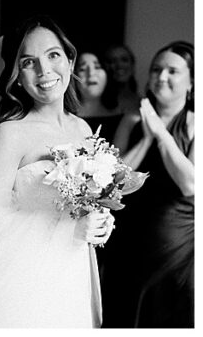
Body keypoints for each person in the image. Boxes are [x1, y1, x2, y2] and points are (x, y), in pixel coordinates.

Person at [0, 16, 114, 327]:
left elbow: (87, 202)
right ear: (17, 76)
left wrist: (101, 220)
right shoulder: (11, 133)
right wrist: (67, 231)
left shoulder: (83, 128)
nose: (44, 70)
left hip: (72, 272)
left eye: (53, 55)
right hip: (22, 282)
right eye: (29, 61)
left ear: (70, 61)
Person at [104, 42, 194, 327]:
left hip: (175, 246)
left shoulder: (195, 123)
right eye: (156, 69)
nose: (161, 76)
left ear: (191, 81)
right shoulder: (131, 120)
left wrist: (160, 132)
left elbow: (191, 184)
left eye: (172, 70)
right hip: (128, 237)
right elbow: (110, 179)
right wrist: (145, 137)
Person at [74, 51, 122, 141]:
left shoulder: (122, 117)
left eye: (97, 67)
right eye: (82, 69)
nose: (91, 73)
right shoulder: (65, 119)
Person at [103, 44, 141, 114]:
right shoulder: (97, 103)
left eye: (124, 60)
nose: (119, 65)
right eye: (113, 61)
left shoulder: (143, 103)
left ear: (132, 65)